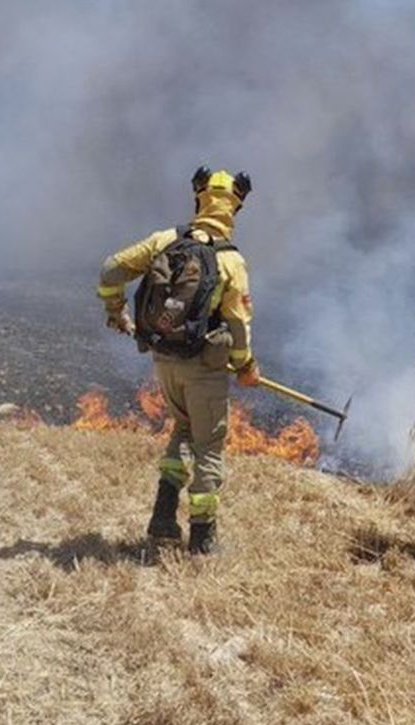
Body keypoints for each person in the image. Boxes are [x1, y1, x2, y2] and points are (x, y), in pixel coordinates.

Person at [97, 167, 259, 554]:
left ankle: (163, 518)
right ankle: (203, 540)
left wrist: (117, 311)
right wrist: (247, 366)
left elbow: (110, 269)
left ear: (199, 199)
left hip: (163, 358)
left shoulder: (165, 239)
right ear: (234, 209)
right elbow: (238, 324)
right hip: (204, 369)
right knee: (209, 447)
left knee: (184, 429)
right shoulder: (230, 261)